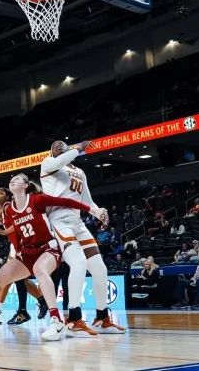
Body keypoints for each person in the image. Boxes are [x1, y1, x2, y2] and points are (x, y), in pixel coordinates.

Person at [0, 174, 107, 341]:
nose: (13, 180)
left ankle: (56, 322)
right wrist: (3, 225)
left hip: (48, 249)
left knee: (39, 270)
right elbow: (14, 228)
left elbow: (66, 202)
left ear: (25, 185)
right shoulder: (9, 209)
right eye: (11, 180)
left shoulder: (37, 199)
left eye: (17, 179)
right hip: (27, 252)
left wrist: (92, 210)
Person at [40, 140, 123, 336]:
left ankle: (102, 318)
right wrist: (78, 149)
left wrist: (98, 212)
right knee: (78, 263)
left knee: (100, 269)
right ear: (52, 152)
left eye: (63, 145)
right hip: (58, 220)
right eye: (55, 146)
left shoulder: (79, 171)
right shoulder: (48, 163)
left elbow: (87, 200)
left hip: (77, 222)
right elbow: (60, 160)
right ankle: (73, 320)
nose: (59, 146)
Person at [0, 187, 48, 326]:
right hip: (15, 246)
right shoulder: (4, 208)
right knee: (20, 280)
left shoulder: (10, 206)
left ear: (8, 196)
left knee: (13, 278)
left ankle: (17, 311)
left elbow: (18, 222)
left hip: (22, 244)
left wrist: (5, 231)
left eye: (1, 193)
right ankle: (41, 302)